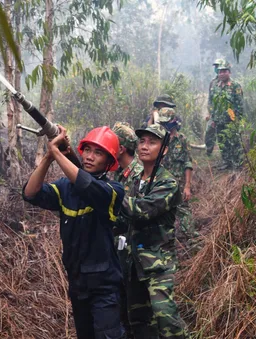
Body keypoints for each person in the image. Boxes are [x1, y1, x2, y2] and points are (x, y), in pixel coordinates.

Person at [23, 125, 126, 338]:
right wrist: (48, 158)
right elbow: (30, 193)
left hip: (105, 287)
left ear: (109, 162)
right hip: (78, 283)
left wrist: (58, 153)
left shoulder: (113, 191)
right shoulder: (65, 188)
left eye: (98, 153)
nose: (90, 157)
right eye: (87, 150)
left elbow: (87, 186)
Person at [117, 124, 186, 339]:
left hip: (158, 264)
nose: (145, 146)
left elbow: (141, 210)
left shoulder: (168, 183)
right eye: (142, 141)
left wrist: (107, 194)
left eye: (152, 142)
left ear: (163, 150)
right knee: (138, 320)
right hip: (133, 263)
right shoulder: (134, 180)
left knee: (166, 319)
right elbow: (122, 219)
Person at [111, 122, 144, 338]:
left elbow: (137, 214)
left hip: (134, 251)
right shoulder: (119, 173)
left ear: (121, 148)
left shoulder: (138, 175)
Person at [157, 109, 198, 242]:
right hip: (162, 182)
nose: (164, 126)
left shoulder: (182, 140)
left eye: (166, 123)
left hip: (178, 182)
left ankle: (190, 239)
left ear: (173, 122)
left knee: (183, 210)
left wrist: (187, 186)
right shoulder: (159, 140)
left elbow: (188, 163)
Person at [205, 60, 244, 168]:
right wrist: (212, 118)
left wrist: (238, 121)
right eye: (220, 71)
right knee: (222, 142)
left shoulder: (235, 86)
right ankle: (226, 162)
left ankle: (237, 164)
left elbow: (239, 105)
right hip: (218, 120)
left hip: (231, 121)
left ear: (229, 72)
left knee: (234, 142)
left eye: (224, 71)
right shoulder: (215, 86)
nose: (221, 73)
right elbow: (211, 102)